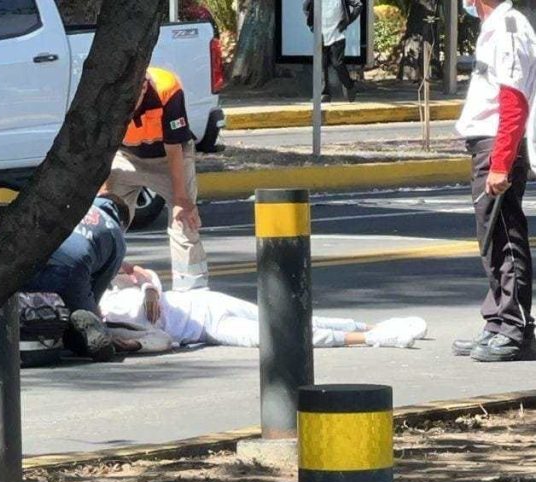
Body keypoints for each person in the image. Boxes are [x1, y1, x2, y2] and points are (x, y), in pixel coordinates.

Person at [454, 0, 536, 362]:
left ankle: (514, 326)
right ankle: (497, 320)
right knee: (491, 237)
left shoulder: (509, 28)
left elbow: (514, 99)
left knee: (504, 235)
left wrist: (501, 163)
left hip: (498, 146)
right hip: (487, 145)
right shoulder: (492, 28)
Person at [99, 268, 427, 352]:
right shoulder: (111, 327)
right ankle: (376, 339)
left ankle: (370, 326)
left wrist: (151, 288)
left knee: (292, 318)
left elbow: (141, 273)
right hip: (208, 329)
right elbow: (163, 342)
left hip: (204, 301)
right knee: (280, 338)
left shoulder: (107, 288)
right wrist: (133, 344)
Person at [103, 67, 208, 291]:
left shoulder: (167, 89)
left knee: (184, 220)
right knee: (105, 221)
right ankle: (114, 285)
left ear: (144, 87)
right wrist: (103, 194)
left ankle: (192, 289)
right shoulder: (107, 91)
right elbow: (101, 149)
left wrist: (180, 198)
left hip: (167, 157)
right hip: (124, 156)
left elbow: (174, 147)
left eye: (134, 99)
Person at [23, 194, 131, 362]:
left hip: (31, 260)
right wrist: (96, 318)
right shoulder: (114, 230)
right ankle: (85, 343)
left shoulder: (69, 204)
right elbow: (97, 288)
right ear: (122, 222)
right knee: (81, 322)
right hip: (72, 267)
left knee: (27, 306)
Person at [303, 0, 362, 103]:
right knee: (322, 64)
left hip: (337, 35)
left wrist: (347, 21)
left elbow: (358, 5)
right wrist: (312, 25)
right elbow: (305, 7)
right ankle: (324, 94)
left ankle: (350, 86)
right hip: (321, 35)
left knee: (337, 63)